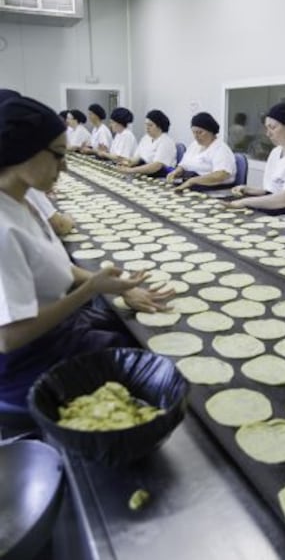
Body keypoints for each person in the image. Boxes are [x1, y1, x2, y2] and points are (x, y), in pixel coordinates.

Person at [0, 96, 174, 408]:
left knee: (130, 328)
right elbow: (8, 338)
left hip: (62, 333)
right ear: (24, 152)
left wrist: (107, 283)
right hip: (31, 365)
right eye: (58, 156)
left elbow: (51, 266)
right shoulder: (3, 227)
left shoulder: (22, 200)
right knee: (157, 361)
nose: (64, 166)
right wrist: (90, 290)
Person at [225, 103, 285, 213]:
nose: (268, 134)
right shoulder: (276, 152)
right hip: (277, 205)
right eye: (266, 128)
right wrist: (248, 189)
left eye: (273, 127)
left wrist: (245, 202)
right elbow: (272, 191)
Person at [166, 112, 236, 192]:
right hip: (192, 185)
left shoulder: (220, 149)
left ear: (211, 131)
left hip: (213, 189)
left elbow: (220, 175)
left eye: (200, 132)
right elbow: (184, 164)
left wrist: (192, 181)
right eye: (194, 132)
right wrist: (176, 172)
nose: (196, 136)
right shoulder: (195, 145)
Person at [117, 109, 176, 176]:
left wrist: (131, 170)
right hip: (144, 172)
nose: (147, 128)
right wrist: (127, 163)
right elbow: (138, 157)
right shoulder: (146, 138)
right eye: (146, 125)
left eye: (150, 125)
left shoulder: (166, 142)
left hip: (160, 176)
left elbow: (156, 166)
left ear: (159, 126)